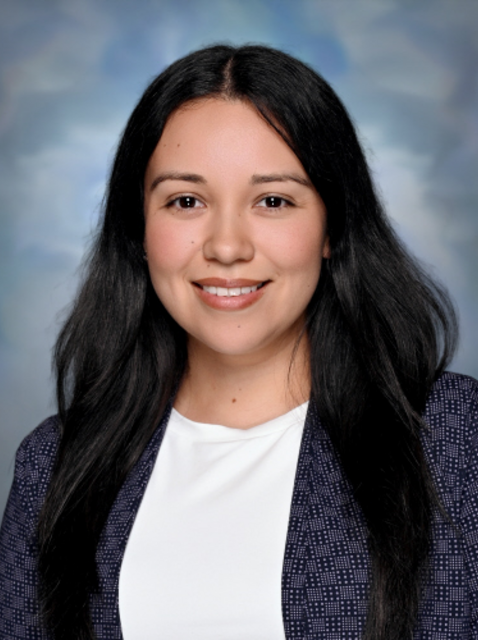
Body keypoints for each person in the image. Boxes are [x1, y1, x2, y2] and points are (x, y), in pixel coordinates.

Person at [0, 43, 477, 640]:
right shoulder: (54, 465)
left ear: (332, 226)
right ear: (139, 229)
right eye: (186, 201)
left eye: (273, 201)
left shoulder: (455, 439)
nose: (227, 247)